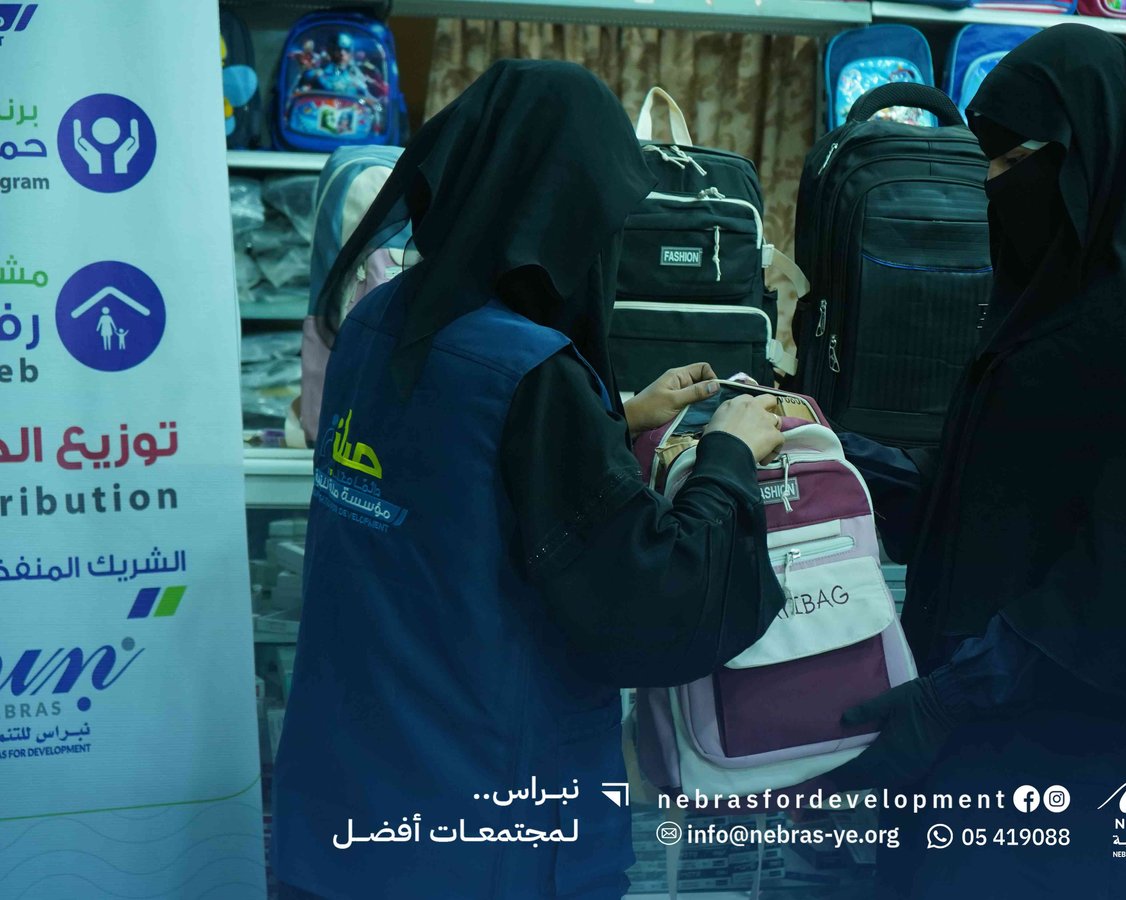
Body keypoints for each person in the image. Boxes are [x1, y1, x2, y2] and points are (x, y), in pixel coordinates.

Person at [271, 60, 788, 900]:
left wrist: (614, 417)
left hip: (345, 811)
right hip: (486, 834)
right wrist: (727, 453)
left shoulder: (379, 320)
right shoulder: (532, 375)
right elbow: (648, 598)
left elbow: (451, 478)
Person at [830, 25, 1126, 899]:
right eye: (985, 158)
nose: (992, 182)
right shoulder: (1050, 309)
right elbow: (995, 494)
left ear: (1094, 158)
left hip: (1099, 767)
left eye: (1014, 158)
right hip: (1003, 745)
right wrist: (830, 457)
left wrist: (956, 694)